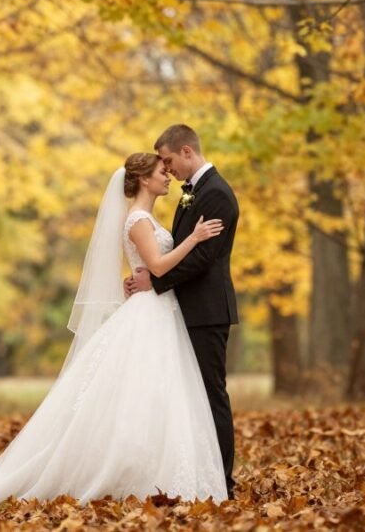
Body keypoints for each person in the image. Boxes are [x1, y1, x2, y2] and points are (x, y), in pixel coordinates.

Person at [0, 153, 229, 505]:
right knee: (144, 392)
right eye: (161, 172)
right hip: (150, 313)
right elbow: (156, 266)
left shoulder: (147, 218)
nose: (167, 176)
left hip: (160, 310)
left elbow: (151, 269)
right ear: (143, 179)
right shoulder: (138, 220)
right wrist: (194, 238)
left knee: (159, 395)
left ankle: (154, 472)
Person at [125, 124, 240, 499]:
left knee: (210, 396)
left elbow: (204, 259)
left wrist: (154, 283)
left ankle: (221, 480)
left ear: (188, 152)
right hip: (181, 311)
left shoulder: (217, 195)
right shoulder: (193, 194)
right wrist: (150, 279)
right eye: (163, 166)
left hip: (206, 311)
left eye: (170, 161)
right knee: (186, 396)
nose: (169, 169)